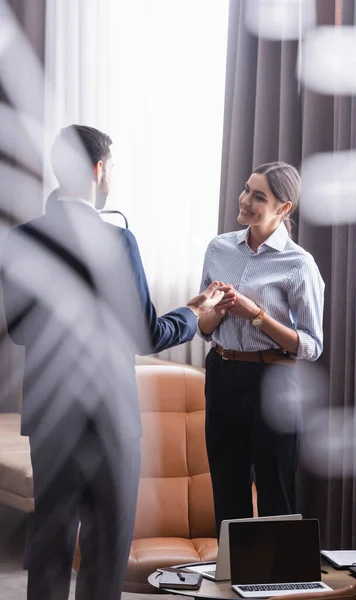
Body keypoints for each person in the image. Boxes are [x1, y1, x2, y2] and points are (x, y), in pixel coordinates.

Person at [1, 124, 223, 600]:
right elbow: (145, 335)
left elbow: (19, 332)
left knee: (50, 540)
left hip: (50, 413)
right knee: (106, 542)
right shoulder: (118, 242)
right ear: (100, 171)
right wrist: (194, 312)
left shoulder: (20, 239)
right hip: (109, 415)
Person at [197, 162, 324, 536]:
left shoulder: (299, 264)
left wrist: (255, 314)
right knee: (228, 491)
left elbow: (311, 346)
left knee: (276, 495)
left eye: (259, 196)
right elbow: (204, 329)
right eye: (246, 189)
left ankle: (279, 591)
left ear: (284, 208)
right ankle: (232, 589)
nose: (245, 200)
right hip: (221, 373)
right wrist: (215, 312)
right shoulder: (218, 248)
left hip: (274, 382)